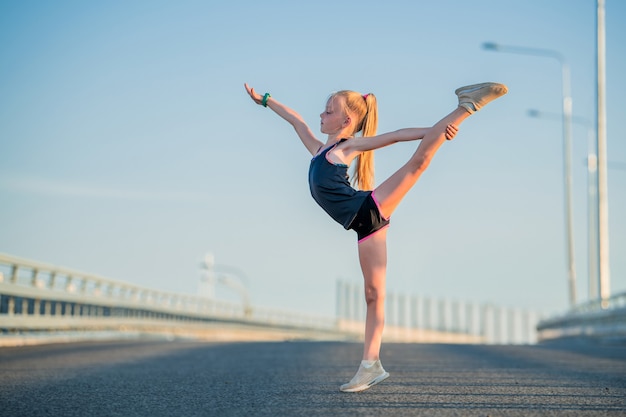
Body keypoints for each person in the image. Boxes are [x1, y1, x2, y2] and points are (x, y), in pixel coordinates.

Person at [244, 81, 508, 392]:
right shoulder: (319, 150)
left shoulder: (346, 147)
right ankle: (371, 365)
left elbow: (394, 137)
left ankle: (466, 107)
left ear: (346, 122)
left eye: (328, 111)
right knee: (373, 294)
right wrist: (264, 100)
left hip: (368, 207)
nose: (321, 114)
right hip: (363, 227)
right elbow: (295, 119)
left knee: (418, 163)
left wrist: (435, 131)